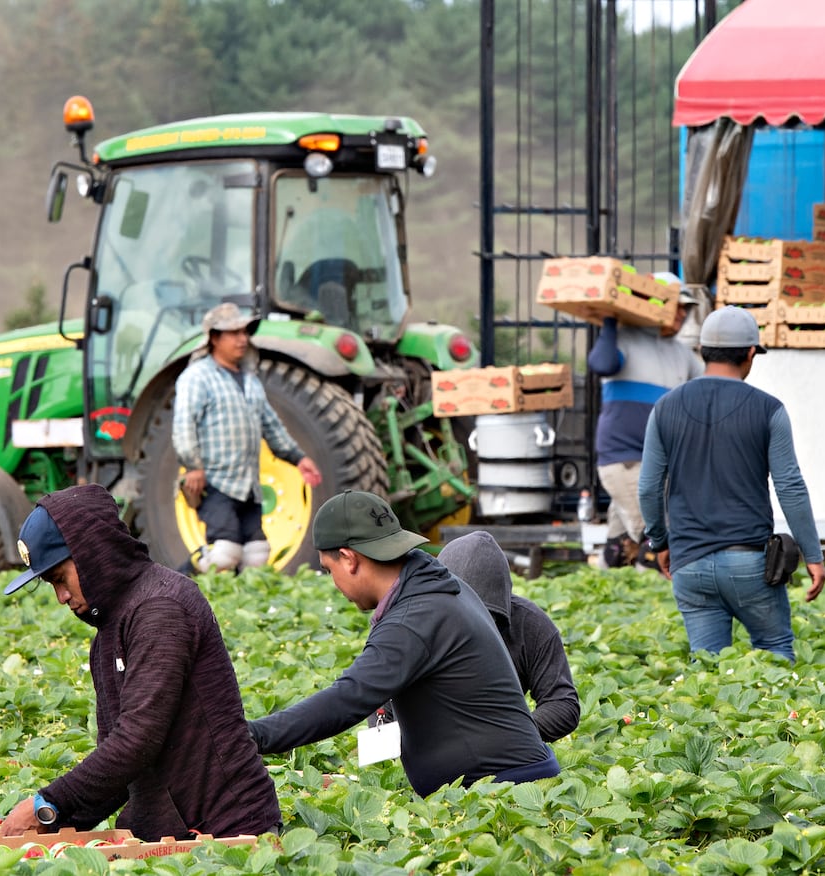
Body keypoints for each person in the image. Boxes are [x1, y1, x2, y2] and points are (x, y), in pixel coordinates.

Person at [0, 484, 282, 841]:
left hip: (228, 833)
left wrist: (48, 803)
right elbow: (119, 769)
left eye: (59, 579)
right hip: (165, 840)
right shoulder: (108, 633)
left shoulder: (161, 608)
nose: (61, 597)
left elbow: (138, 738)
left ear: (91, 554)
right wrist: (50, 825)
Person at [247, 490, 559, 796]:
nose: (334, 583)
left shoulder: (415, 617)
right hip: (501, 783)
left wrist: (251, 736)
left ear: (348, 558)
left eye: (329, 570)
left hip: (505, 792)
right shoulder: (439, 587)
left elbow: (347, 698)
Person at [638, 306, 825, 662]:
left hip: (689, 565)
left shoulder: (664, 408)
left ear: (702, 350)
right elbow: (790, 486)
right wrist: (812, 554)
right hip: (750, 564)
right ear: (751, 353)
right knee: (774, 653)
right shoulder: (769, 409)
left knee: (708, 672)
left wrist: (660, 541)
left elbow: (648, 487)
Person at [172, 302, 322, 573]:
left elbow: (271, 425)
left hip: (248, 485)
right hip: (215, 481)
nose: (243, 339)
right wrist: (193, 466)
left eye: (245, 332)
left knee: (257, 556)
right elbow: (184, 425)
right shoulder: (197, 377)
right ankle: (179, 581)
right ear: (215, 338)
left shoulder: (250, 381)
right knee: (224, 553)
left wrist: (298, 458)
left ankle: (238, 606)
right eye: (234, 333)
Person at [587, 291, 704, 568]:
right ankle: (654, 596)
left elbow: (707, 389)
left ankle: (612, 580)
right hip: (625, 459)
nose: (681, 314)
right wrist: (610, 322)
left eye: (685, 309)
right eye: (676, 306)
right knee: (657, 542)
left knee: (620, 548)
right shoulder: (625, 340)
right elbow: (601, 364)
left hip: (657, 462)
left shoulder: (681, 354)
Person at [438, 531, 580, 742]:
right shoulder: (411, 623)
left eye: (484, 615)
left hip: (505, 744)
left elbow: (562, 704)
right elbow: (385, 706)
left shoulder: (530, 625)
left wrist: (506, 736)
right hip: (432, 743)